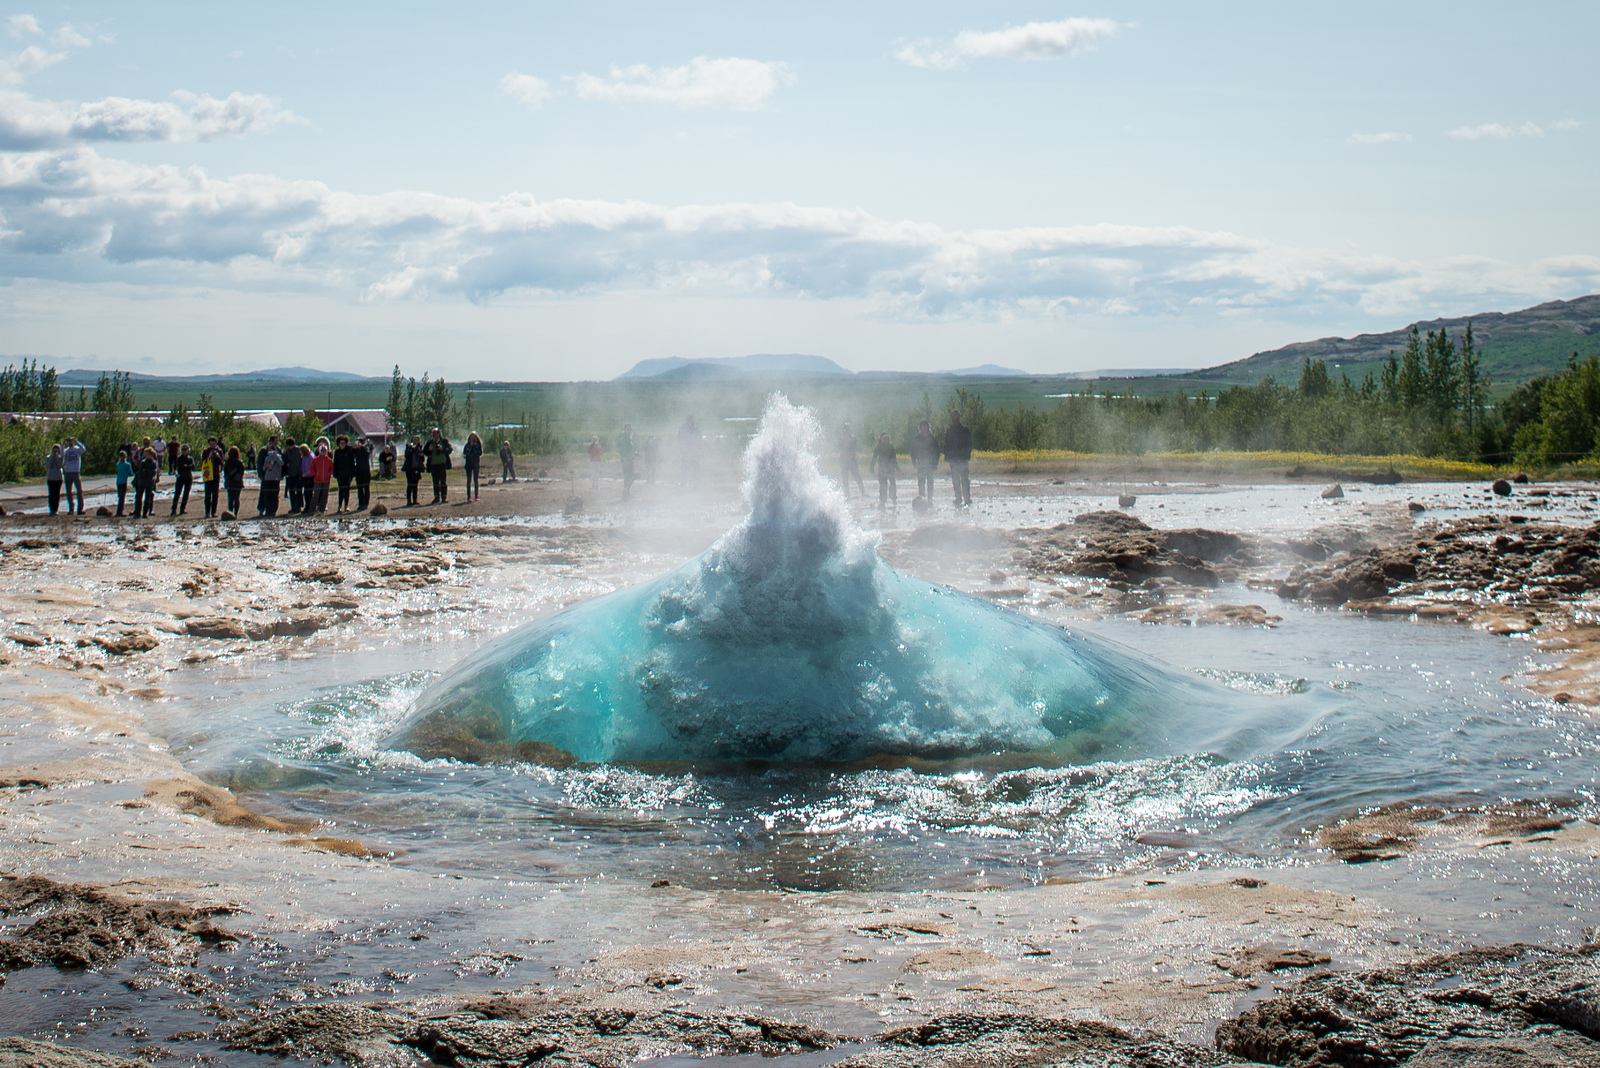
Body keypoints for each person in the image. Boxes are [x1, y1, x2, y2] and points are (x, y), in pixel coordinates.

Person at [944, 409, 973, 507]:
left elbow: (969, 444)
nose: (954, 418)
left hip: (962, 459)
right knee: (956, 480)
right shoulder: (949, 430)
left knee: (964, 480)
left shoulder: (965, 430)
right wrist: (948, 457)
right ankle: (959, 498)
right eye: (953, 417)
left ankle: (967, 498)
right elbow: (947, 445)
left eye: (956, 416)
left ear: (959, 417)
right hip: (954, 459)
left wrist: (966, 456)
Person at [910, 419, 939, 500]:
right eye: (922, 427)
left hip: (930, 463)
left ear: (928, 427)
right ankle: (922, 498)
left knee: (930, 482)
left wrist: (935, 463)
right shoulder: (917, 438)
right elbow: (912, 451)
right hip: (920, 463)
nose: (924, 428)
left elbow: (937, 451)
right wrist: (914, 462)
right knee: (921, 482)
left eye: (925, 426)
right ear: (920, 428)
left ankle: (930, 498)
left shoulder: (932, 438)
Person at [423, 428, 453, 503]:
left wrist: (442, 449)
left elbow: (450, 450)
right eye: (432, 434)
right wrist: (429, 450)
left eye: (435, 433)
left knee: (443, 481)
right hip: (433, 464)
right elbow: (424, 452)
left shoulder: (444, 441)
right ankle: (436, 497)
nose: (434, 435)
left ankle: (444, 497)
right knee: (435, 481)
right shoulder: (429, 442)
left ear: (439, 434)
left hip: (442, 464)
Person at [838, 420, 865, 496]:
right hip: (844, 460)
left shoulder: (852, 437)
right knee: (845, 478)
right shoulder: (842, 438)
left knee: (856, 476)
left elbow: (853, 446)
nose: (846, 430)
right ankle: (847, 494)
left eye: (847, 429)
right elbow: (840, 447)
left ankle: (862, 491)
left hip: (851, 459)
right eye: (845, 429)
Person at [872, 431, 899, 508]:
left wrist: (897, 467)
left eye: (887, 438)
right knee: (883, 485)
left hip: (890, 469)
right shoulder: (878, 447)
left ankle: (893, 498)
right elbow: (874, 458)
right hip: (881, 469)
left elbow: (894, 459)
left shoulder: (891, 447)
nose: (886, 440)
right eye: (884, 438)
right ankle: (882, 500)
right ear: (881, 439)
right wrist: (871, 467)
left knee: (892, 484)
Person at [257, 440, 283, 516]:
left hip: (275, 478)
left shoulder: (278, 454)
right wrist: (262, 472)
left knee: (274, 495)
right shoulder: (265, 454)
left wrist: (276, 456)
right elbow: (263, 466)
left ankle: (273, 510)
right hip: (267, 478)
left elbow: (281, 463)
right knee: (266, 494)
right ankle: (266, 510)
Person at [62, 436, 86, 514]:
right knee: (69, 492)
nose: (70, 442)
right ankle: (71, 508)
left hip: (76, 472)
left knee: (79, 491)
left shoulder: (77, 449)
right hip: (68, 473)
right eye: (68, 441)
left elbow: (83, 449)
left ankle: (80, 508)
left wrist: (77, 441)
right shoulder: (66, 450)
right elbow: (61, 453)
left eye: (71, 441)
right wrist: (63, 443)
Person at [135, 446, 160, 518]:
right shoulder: (143, 462)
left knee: (147, 498)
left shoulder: (154, 463)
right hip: (142, 481)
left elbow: (153, 472)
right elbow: (140, 472)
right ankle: (137, 513)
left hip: (149, 482)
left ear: (151, 454)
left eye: (147, 454)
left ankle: (145, 513)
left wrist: (146, 471)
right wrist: (146, 472)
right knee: (138, 497)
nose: (146, 455)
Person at [333, 435, 356, 513]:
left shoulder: (349, 451)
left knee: (347, 491)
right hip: (340, 475)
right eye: (341, 443)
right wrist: (335, 474)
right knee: (340, 491)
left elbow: (352, 463)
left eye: (344, 443)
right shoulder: (337, 452)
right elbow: (335, 463)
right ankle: (339, 506)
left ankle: (346, 506)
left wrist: (352, 475)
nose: (342, 444)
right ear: (338, 444)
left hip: (348, 474)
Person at [170, 443, 195, 515]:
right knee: (177, 493)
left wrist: (186, 466)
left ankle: (182, 509)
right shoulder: (179, 458)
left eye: (186, 449)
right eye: (183, 450)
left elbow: (193, 467)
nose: (184, 451)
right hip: (180, 477)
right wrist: (187, 466)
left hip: (188, 478)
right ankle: (174, 509)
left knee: (186, 494)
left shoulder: (190, 458)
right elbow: (179, 467)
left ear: (188, 450)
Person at [310, 443, 333, 513]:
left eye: (325, 450)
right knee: (316, 495)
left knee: (325, 495)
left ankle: (322, 509)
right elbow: (312, 469)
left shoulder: (329, 460)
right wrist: (315, 474)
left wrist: (329, 474)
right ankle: (312, 509)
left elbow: (331, 469)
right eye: (322, 450)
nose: (324, 452)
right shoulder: (315, 460)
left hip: (326, 480)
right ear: (320, 451)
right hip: (317, 480)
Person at [200, 440, 220, 518]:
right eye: (211, 444)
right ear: (209, 444)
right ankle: (207, 512)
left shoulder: (219, 450)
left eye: (214, 443)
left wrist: (217, 456)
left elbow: (221, 463)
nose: (213, 445)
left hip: (216, 475)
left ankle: (213, 512)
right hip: (208, 475)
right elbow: (203, 461)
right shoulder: (205, 451)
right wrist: (209, 456)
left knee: (215, 494)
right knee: (207, 495)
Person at [402, 435, 424, 506]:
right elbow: (406, 455)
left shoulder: (420, 448)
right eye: (414, 440)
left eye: (417, 440)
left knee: (415, 485)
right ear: (412, 441)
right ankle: (409, 501)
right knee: (410, 484)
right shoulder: (408, 447)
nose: (415, 441)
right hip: (409, 469)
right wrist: (411, 449)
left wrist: (421, 455)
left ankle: (415, 500)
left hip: (417, 468)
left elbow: (422, 459)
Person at [676, 417, 700, 483]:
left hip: (692, 451)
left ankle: (694, 482)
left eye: (692, 421)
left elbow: (698, 439)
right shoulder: (684, 429)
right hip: (687, 450)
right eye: (690, 421)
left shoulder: (694, 429)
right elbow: (679, 438)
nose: (691, 422)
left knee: (694, 467)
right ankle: (685, 482)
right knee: (686, 467)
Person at [223, 445, 245, 515]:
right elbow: (242, 473)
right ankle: (235, 513)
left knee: (230, 499)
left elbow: (225, 473)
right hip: (238, 483)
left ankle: (230, 512)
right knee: (236, 499)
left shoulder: (227, 463)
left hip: (230, 483)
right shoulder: (240, 462)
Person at [617, 424, 637, 500]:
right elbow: (625, 448)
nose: (630, 431)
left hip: (627, 459)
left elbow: (621, 448)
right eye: (629, 430)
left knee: (628, 476)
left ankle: (626, 493)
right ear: (626, 429)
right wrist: (625, 457)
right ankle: (626, 492)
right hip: (627, 459)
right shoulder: (626, 437)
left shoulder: (625, 437)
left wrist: (634, 453)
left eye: (630, 430)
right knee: (629, 476)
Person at [462, 432, 483, 501]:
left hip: (476, 464)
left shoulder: (478, 445)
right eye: (471, 437)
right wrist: (470, 447)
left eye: (474, 437)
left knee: (475, 480)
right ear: (469, 438)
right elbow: (464, 453)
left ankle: (476, 496)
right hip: (468, 464)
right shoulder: (467, 445)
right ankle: (468, 497)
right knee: (468, 480)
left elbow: (480, 453)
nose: (472, 438)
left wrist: (475, 447)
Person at [354, 436, 373, 510]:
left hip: (365, 471)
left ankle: (366, 503)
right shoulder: (356, 450)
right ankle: (360, 503)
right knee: (359, 488)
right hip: (358, 472)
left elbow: (367, 454)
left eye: (359, 442)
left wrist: (362, 447)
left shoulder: (365, 449)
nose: (358, 443)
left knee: (366, 488)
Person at [44, 443, 63, 515]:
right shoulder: (48, 457)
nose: (55, 451)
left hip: (58, 478)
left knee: (57, 494)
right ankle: (51, 509)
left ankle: (56, 509)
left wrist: (57, 457)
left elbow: (60, 466)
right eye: (54, 449)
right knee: (51, 494)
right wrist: (52, 456)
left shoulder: (60, 457)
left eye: (57, 449)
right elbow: (48, 465)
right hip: (50, 478)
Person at [114, 449, 133, 517]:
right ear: (126, 456)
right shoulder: (127, 464)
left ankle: (120, 511)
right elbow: (130, 473)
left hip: (118, 482)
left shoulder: (118, 464)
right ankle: (120, 512)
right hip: (124, 482)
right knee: (122, 497)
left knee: (120, 496)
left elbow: (117, 471)